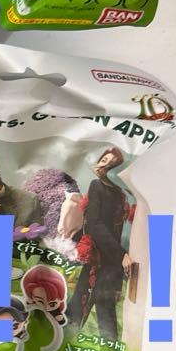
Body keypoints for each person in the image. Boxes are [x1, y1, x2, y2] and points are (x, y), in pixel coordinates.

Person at [68, 146, 132, 341]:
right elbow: (95, 225)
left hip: (106, 261)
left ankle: (60, 345)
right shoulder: (107, 190)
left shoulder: (111, 191)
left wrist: (120, 257)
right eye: (104, 160)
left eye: (111, 164)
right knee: (97, 311)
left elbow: (101, 227)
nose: (104, 166)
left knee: (96, 312)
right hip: (103, 259)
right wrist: (121, 255)